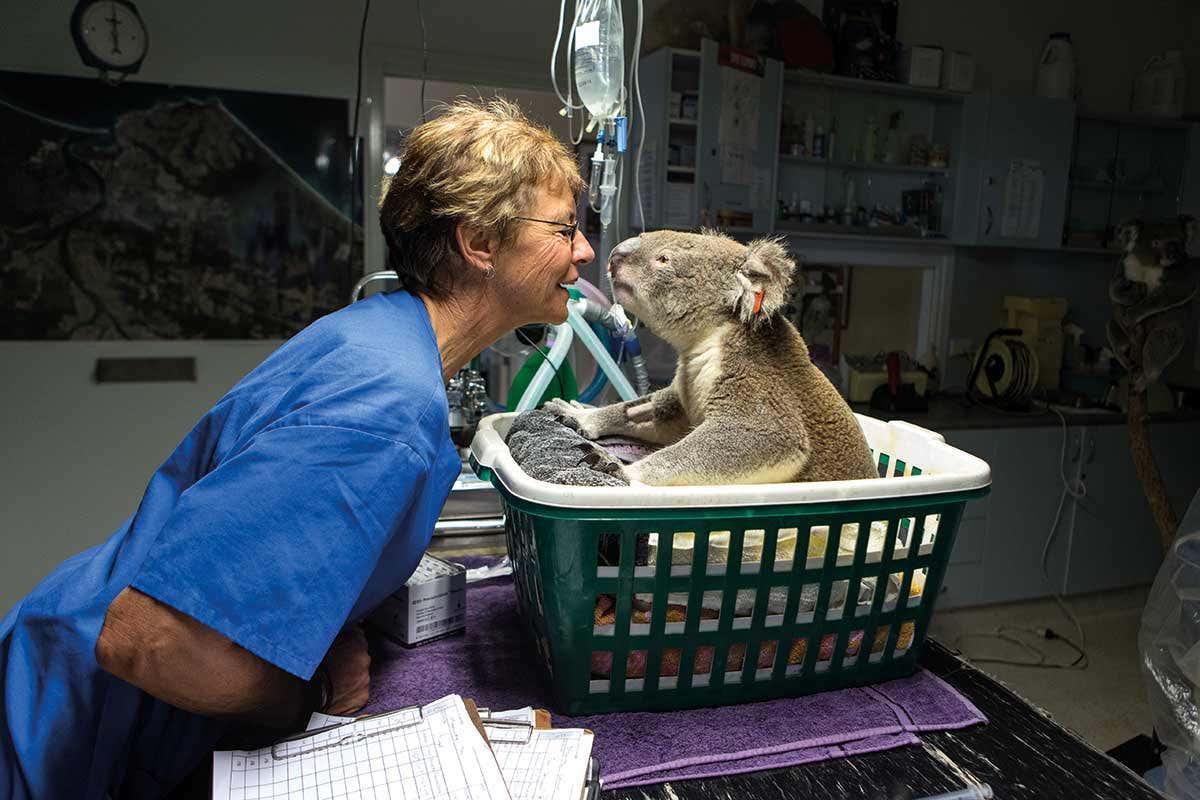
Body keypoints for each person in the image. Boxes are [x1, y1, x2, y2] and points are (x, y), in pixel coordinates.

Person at [0, 98, 593, 799]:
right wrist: (309, 691)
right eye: (565, 229)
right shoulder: (388, 403)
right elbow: (151, 642)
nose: (584, 251)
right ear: (481, 243)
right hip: (70, 729)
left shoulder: (379, 332)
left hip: (57, 650)